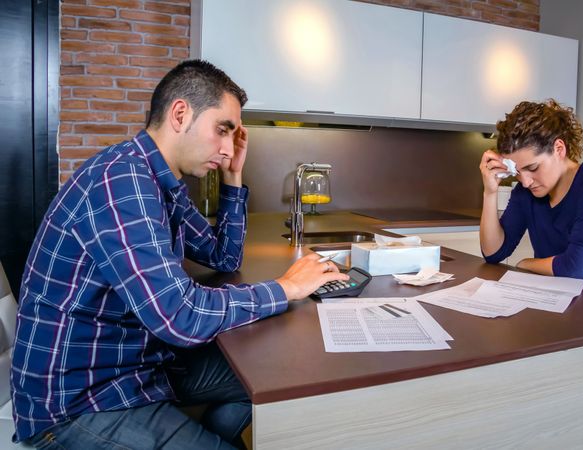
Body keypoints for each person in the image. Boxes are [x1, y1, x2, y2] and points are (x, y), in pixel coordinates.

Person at [11, 59, 349, 449]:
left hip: (137, 368)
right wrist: (285, 288)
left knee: (269, 379)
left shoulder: (159, 182)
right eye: (223, 130)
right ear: (180, 113)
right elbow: (179, 316)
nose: (226, 149)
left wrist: (233, 177)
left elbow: (223, 257)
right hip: (80, 401)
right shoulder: (123, 181)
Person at [479, 99, 583, 303]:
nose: (525, 181)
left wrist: (526, 263)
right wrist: (490, 192)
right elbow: (494, 253)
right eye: (517, 172)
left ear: (559, 149)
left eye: (533, 168)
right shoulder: (527, 192)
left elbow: (577, 267)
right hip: (566, 304)